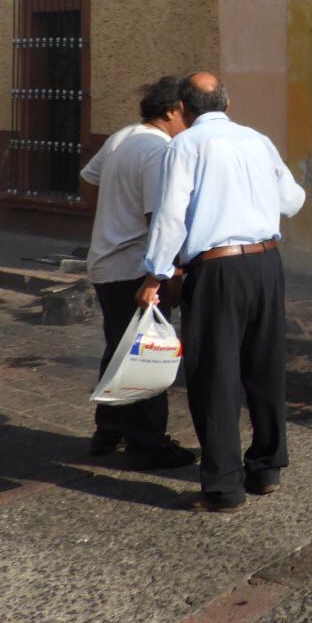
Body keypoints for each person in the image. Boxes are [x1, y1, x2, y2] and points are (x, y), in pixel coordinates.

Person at [137, 72, 306, 512]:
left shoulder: (185, 145)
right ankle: (267, 468)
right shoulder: (258, 140)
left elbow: (170, 215)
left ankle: (225, 486)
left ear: (186, 111)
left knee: (216, 376)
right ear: (227, 106)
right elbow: (293, 200)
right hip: (267, 262)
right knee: (265, 366)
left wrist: (155, 275)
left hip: (217, 269)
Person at [79, 76, 195, 469]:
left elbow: (89, 178)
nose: (191, 119)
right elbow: (159, 218)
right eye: (186, 111)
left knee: (118, 344)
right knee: (146, 352)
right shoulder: (160, 151)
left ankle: (108, 430)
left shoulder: (122, 136)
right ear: (170, 111)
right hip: (134, 267)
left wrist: (110, 220)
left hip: (107, 261)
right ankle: (147, 442)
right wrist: (164, 274)